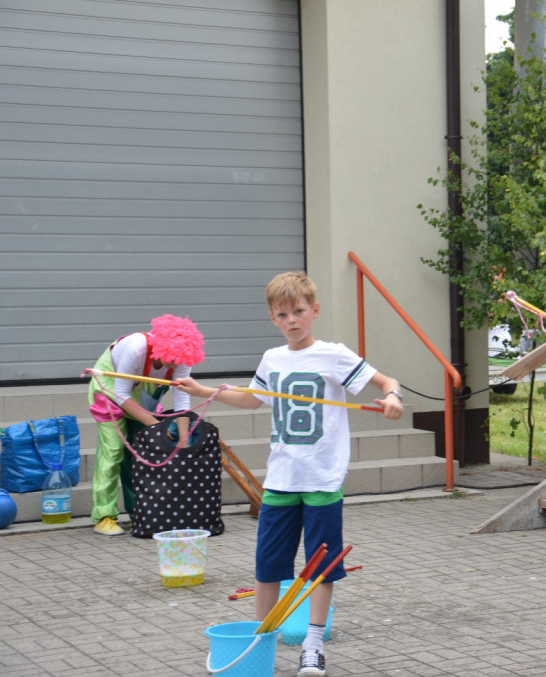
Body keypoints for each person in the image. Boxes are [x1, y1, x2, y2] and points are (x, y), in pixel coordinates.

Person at [177, 271, 404, 677]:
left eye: (298, 311)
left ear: (314, 310)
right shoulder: (272, 358)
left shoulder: (334, 355)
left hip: (322, 479)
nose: (292, 320)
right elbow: (252, 400)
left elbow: (388, 380)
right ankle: (258, 644)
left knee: (320, 568)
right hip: (281, 479)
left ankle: (313, 644)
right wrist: (203, 392)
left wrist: (391, 396)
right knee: (268, 567)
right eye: (283, 315)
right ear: (273, 318)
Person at [87, 314, 205, 536]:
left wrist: (182, 440)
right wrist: (157, 427)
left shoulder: (181, 359)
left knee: (143, 454)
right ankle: (104, 516)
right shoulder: (136, 349)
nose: (174, 364)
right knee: (113, 450)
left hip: (143, 396)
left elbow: (182, 400)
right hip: (110, 391)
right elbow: (121, 393)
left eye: (179, 361)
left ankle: (140, 512)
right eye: (171, 359)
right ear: (161, 346)